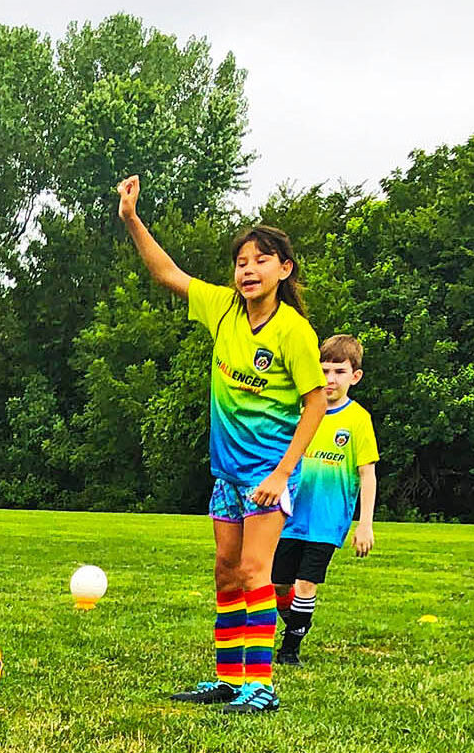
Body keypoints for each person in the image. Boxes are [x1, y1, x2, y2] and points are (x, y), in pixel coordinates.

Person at [118, 176, 323, 714]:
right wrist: (132, 219)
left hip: (268, 476)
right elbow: (167, 273)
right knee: (226, 572)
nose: (248, 270)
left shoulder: (294, 332)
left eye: (261, 260)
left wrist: (282, 474)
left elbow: (317, 403)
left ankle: (261, 687)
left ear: (284, 269)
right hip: (228, 476)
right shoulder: (223, 309)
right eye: (241, 262)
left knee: (257, 572)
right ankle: (230, 680)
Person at [273, 334, 379, 665]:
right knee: (278, 584)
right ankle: (297, 623)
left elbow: (367, 474)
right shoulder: (302, 412)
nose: (330, 379)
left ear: (355, 376)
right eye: (325, 370)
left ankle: (289, 650)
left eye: (339, 371)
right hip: (289, 515)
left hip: (326, 519)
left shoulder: (358, 420)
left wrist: (365, 525)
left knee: (306, 584)